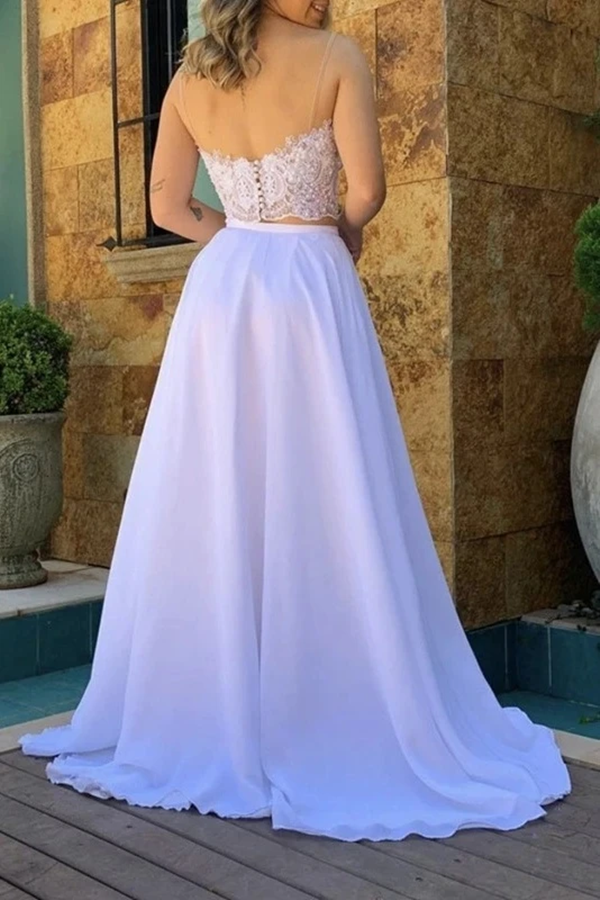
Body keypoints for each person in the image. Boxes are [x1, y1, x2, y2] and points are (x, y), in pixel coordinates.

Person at [19, 0, 571, 842]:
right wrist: (337, 232)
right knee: (330, 482)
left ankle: (218, 706)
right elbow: (369, 191)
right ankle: (331, 696)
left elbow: (167, 203)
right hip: (311, 284)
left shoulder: (192, 71)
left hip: (224, 291)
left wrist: (233, 235)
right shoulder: (335, 55)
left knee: (220, 485)